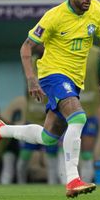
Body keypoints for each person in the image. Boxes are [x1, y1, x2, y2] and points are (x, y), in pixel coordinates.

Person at [0, 0, 100, 198]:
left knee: (48, 137)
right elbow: (26, 48)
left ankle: (0, 130)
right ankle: (72, 179)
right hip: (52, 75)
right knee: (79, 117)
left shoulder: (97, 11)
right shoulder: (54, 16)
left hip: (74, 80)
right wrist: (31, 78)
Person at [58, 45, 100, 184]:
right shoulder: (62, 48)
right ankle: (64, 184)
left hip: (90, 111)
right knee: (65, 149)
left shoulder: (96, 53)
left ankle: (84, 183)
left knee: (86, 152)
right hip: (67, 110)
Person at [16, 48, 60, 185]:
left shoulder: (57, 61)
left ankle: (53, 187)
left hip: (49, 120)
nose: (40, 44)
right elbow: (26, 89)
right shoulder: (32, 61)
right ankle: (19, 185)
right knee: (24, 157)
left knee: (51, 157)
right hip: (32, 119)